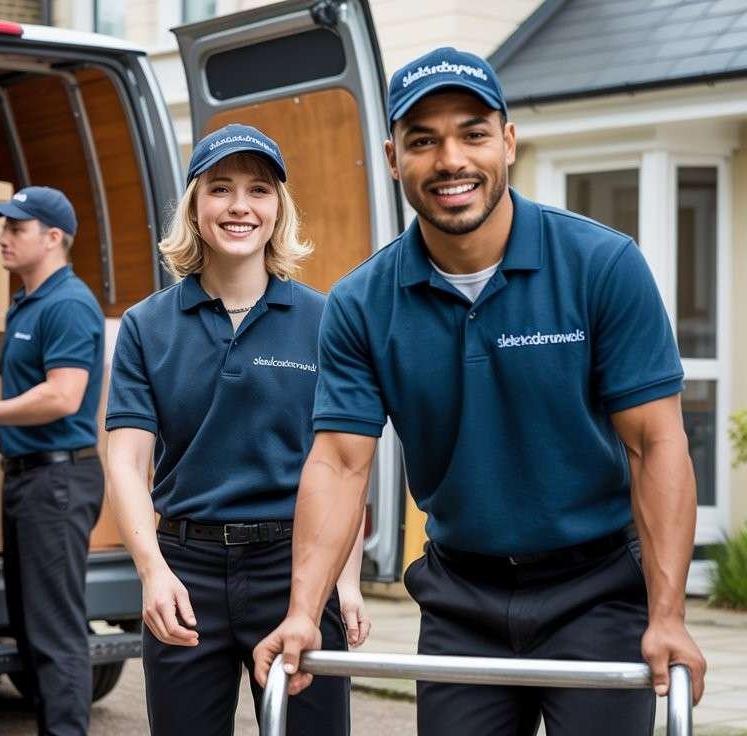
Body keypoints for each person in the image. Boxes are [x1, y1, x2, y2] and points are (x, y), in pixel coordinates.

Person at [254, 48, 708, 735]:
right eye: (423, 140)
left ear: (508, 142)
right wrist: (300, 611)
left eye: (472, 133)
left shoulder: (602, 266)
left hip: (597, 592)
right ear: (392, 157)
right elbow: (340, 464)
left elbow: (655, 444)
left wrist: (669, 616)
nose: (451, 160)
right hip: (461, 597)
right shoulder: (362, 304)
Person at [104, 124, 369, 736]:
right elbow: (125, 462)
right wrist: (152, 571)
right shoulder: (149, 326)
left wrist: (344, 579)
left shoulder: (325, 320)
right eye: (221, 189)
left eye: (259, 190)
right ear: (195, 207)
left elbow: (346, 461)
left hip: (296, 566)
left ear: (279, 209)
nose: (240, 207)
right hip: (185, 571)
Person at [0, 186, 105, 736]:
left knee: (55, 632)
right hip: (29, 477)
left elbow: (63, 397)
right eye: (3, 227)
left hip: (57, 483)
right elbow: (20, 413)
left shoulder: (69, 305)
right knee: (31, 628)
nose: (2, 238)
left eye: (16, 228)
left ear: (53, 238)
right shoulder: (26, 303)